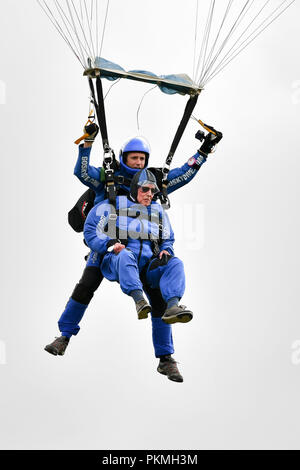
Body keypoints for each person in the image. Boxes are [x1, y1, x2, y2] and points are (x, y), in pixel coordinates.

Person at [45, 122, 222, 382]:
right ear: (125, 158)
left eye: (142, 159)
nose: (138, 163)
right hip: (108, 246)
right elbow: (82, 173)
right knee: (85, 287)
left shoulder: (153, 184)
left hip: (145, 252)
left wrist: (203, 152)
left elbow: (184, 174)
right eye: (134, 158)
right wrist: (87, 143)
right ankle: (64, 336)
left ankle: (166, 359)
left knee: (160, 299)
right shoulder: (108, 178)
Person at [84, 169, 193, 326]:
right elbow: (91, 229)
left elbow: (168, 238)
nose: (150, 194)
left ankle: (172, 307)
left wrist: (166, 250)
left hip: (147, 267)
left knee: (175, 263)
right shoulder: (112, 205)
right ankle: (139, 301)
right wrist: (109, 244)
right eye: (145, 189)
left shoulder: (159, 212)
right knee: (125, 255)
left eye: (153, 190)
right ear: (135, 189)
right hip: (117, 259)